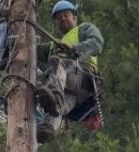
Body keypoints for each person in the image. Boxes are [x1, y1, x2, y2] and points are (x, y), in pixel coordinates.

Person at [36, 1, 104, 143]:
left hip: (83, 77)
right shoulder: (53, 46)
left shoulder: (83, 29)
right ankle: (47, 129)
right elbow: (33, 49)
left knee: (56, 62)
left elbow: (97, 43)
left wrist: (74, 48)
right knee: (58, 107)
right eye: (58, 17)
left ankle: (54, 95)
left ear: (75, 18)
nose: (62, 18)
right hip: (72, 92)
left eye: (66, 15)